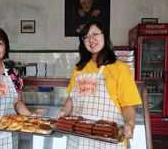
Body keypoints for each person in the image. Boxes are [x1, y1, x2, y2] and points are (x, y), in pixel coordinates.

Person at [57, 20, 142, 149]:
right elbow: (71, 99)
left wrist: (130, 124)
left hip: (108, 138)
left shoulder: (120, 69)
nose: (91, 39)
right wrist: (64, 111)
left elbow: (127, 106)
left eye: (95, 34)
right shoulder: (79, 69)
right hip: (79, 138)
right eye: (86, 37)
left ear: (105, 36)